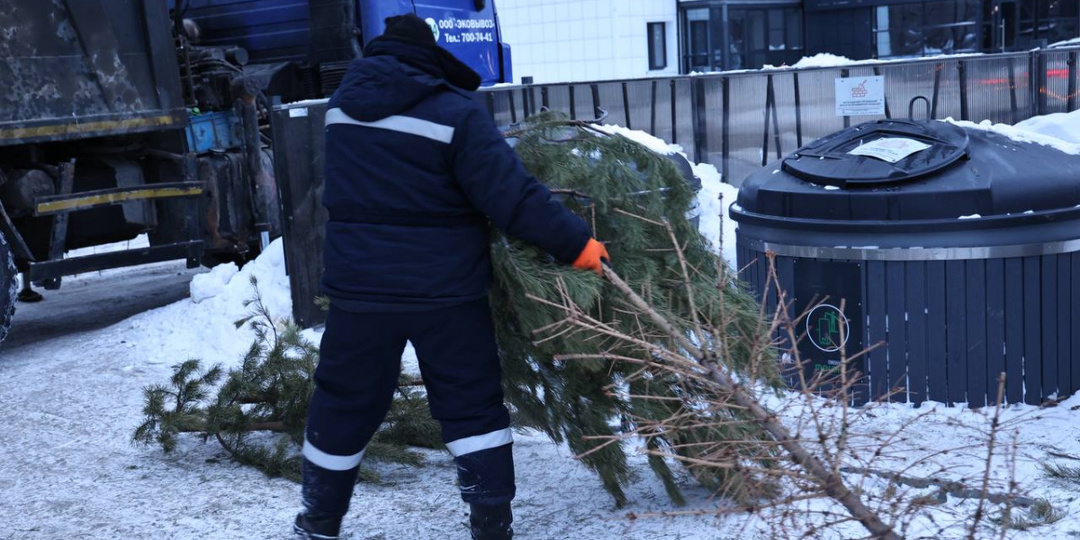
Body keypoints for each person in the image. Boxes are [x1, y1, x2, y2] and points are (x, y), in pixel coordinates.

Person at [294, 14, 611, 540]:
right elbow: (512, 198)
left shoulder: (340, 111)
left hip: (358, 292)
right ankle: (490, 523)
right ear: (429, 58)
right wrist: (577, 245)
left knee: (342, 400)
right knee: (470, 402)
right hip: (444, 291)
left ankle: (319, 518)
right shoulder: (454, 113)